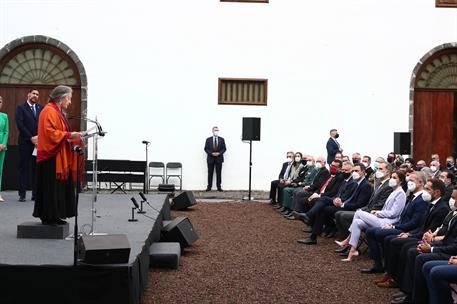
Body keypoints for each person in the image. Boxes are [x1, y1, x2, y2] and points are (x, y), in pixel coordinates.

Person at [32, 85, 83, 226]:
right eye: (69, 98)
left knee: (57, 187)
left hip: (57, 154)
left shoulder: (57, 111)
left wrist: (73, 136)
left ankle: (55, 215)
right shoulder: (49, 111)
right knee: (50, 187)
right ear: (61, 98)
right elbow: (49, 133)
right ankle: (48, 216)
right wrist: (69, 135)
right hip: (50, 156)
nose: (70, 102)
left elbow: (58, 132)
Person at [335, 171, 407, 262]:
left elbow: (394, 213)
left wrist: (378, 213)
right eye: (392, 177)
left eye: (395, 178)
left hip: (388, 222)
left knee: (358, 212)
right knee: (357, 222)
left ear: (401, 181)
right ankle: (352, 251)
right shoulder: (394, 191)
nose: (392, 179)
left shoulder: (400, 193)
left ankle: (347, 240)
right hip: (383, 218)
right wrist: (378, 212)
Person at [15, 88, 43, 202]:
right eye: (33, 93)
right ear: (28, 95)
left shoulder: (41, 108)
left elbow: (43, 124)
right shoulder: (21, 108)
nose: (35, 95)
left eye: (37, 94)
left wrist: (38, 137)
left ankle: (35, 194)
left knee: (36, 169)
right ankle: (22, 194)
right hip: (25, 142)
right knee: (24, 168)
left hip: (38, 143)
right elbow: (20, 124)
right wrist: (31, 137)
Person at [204, 126, 226, 191]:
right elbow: (206, 148)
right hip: (210, 158)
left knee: (219, 173)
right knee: (210, 173)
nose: (216, 132)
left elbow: (224, 148)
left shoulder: (222, 139)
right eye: (215, 130)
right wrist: (211, 153)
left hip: (219, 158)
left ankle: (219, 187)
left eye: (217, 130)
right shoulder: (208, 139)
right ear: (212, 131)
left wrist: (219, 153)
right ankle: (209, 187)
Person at [0, 96, 8, 202]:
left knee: (0, 170)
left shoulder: (4, 116)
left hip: (2, 148)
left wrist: (3, 144)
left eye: (0, 101)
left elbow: (6, 132)